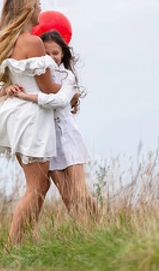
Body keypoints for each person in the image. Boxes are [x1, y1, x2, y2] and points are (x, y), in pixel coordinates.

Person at [0, 0, 62, 245]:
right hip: (32, 116)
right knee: (36, 187)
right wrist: (73, 91)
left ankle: (21, 243)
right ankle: (15, 246)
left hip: (15, 115)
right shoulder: (33, 42)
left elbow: (3, 84)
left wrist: (5, 88)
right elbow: (47, 88)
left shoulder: (5, 40)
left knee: (38, 186)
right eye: (37, 4)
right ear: (26, 9)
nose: (40, 9)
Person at [6, 30, 98, 219]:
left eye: (55, 53)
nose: (51, 57)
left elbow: (59, 101)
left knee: (80, 192)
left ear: (63, 53)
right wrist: (7, 89)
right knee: (67, 196)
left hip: (68, 136)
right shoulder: (39, 77)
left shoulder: (67, 77)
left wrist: (27, 96)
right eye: (46, 54)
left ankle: (100, 221)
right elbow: (13, 83)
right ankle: (84, 232)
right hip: (49, 139)